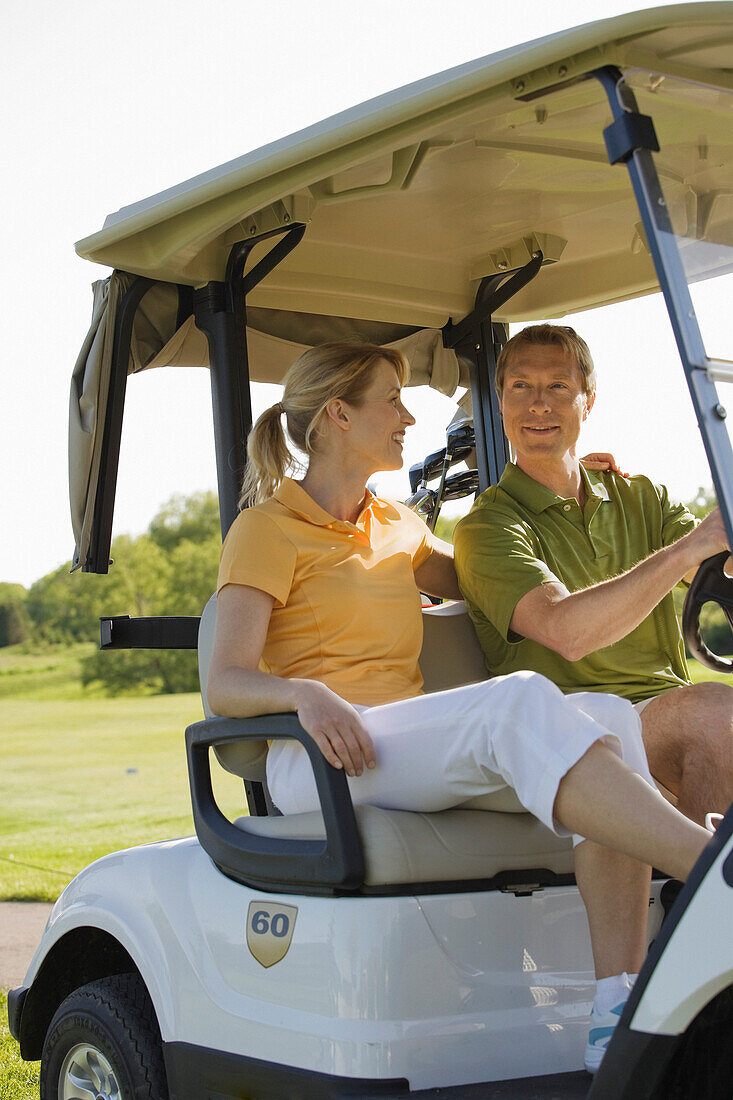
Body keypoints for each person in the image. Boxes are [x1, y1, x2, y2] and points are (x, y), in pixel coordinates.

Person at [207, 342, 713, 1076]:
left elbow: (505, 582)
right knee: (516, 703)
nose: (408, 417)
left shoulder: (397, 524)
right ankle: (709, 870)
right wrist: (303, 694)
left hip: (397, 753)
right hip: (318, 757)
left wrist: (575, 487)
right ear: (340, 415)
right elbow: (226, 682)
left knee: (604, 712)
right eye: (392, 401)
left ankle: (617, 1005)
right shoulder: (264, 529)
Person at [453, 324, 733, 830]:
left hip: (664, 709)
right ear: (499, 401)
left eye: (558, 386)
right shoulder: (487, 527)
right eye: (521, 386)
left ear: (588, 401)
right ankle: (701, 899)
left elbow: (715, 566)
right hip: (568, 727)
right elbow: (567, 632)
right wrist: (687, 549)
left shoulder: (641, 497)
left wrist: (715, 542)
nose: (539, 404)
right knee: (716, 714)